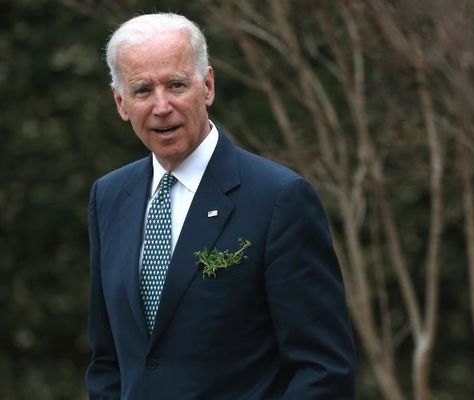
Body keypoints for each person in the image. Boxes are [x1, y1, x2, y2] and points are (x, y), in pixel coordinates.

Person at [85, 12, 355, 399]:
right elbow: (107, 359)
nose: (161, 106)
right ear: (121, 103)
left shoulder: (279, 198)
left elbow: (323, 370)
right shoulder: (109, 197)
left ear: (207, 86)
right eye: (143, 90)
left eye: (176, 85)